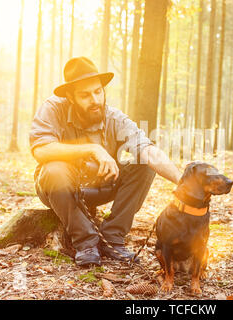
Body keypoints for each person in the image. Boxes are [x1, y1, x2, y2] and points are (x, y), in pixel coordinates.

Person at [29, 57, 182, 267]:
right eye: (85, 95)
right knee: (55, 169)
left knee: (143, 163)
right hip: (58, 189)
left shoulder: (114, 118)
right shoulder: (53, 108)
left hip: (99, 186)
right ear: (71, 98)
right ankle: (86, 243)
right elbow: (40, 149)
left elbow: (148, 151)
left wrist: (182, 183)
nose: (95, 100)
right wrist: (92, 149)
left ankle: (113, 238)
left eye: (98, 91)